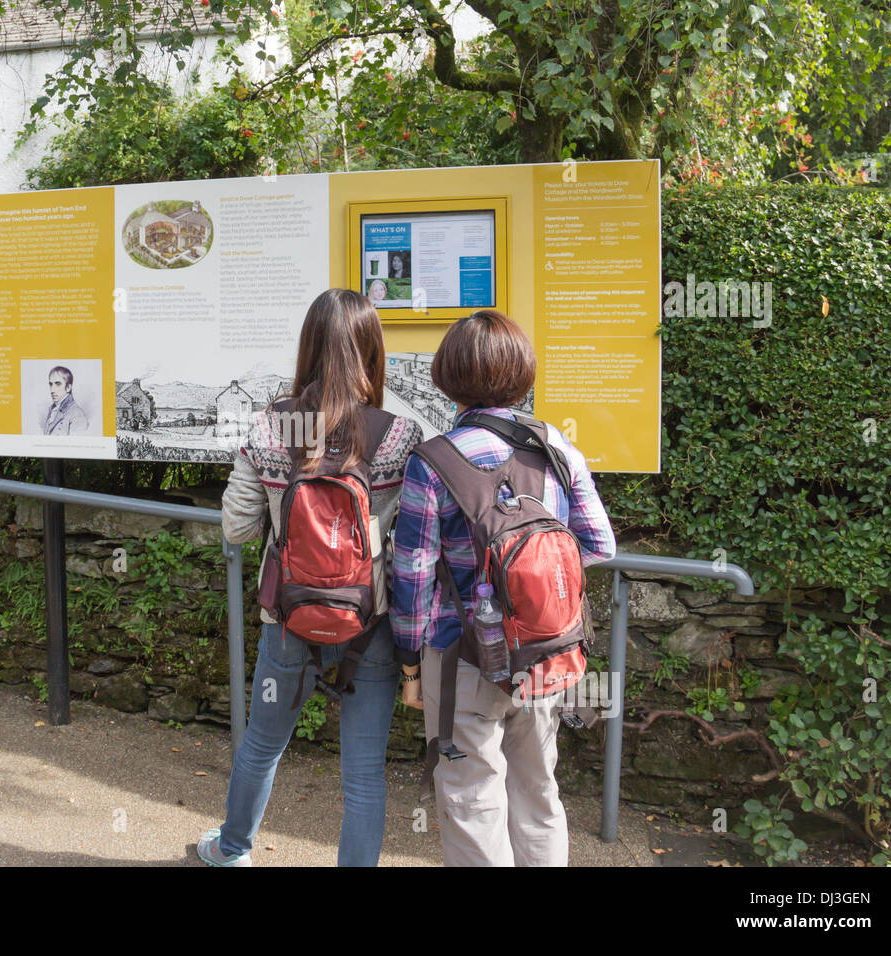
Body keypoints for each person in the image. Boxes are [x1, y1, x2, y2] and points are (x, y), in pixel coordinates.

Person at [197, 288, 423, 867]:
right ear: (373, 350)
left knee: (262, 746)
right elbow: (411, 543)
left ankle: (231, 851)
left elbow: (238, 528)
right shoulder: (399, 436)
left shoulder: (273, 426)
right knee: (364, 775)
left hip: (287, 618)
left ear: (309, 346)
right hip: (369, 622)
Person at [390, 309, 615, 867]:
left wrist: (411, 668)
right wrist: (531, 589)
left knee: (471, 797)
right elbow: (599, 546)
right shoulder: (557, 449)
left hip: (460, 654)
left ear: (448, 377)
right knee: (539, 794)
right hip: (546, 652)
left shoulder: (434, 461)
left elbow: (414, 576)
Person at [42, 366, 89, 435]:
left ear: (68, 388)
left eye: (58, 384)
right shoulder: (52, 410)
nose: (52, 390)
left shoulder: (77, 415)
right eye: (51, 384)